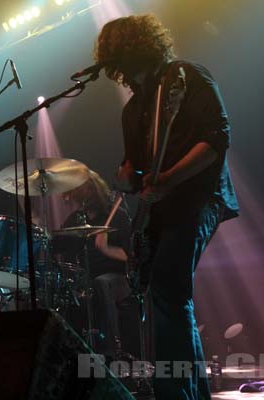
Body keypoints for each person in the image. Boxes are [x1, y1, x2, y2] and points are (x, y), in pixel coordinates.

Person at [94, 14, 239, 399]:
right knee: (170, 297)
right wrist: (124, 178)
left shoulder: (186, 77)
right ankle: (191, 392)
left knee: (167, 289)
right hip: (161, 209)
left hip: (199, 198)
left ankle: (174, 392)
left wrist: (170, 177)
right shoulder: (132, 110)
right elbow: (135, 167)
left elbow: (217, 138)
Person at [55, 170, 135, 361]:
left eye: (85, 194)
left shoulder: (117, 216)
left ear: (94, 192)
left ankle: (112, 349)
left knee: (101, 283)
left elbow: (130, 257)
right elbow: (56, 246)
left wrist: (106, 249)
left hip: (117, 279)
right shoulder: (76, 219)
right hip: (84, 278)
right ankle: (69, 355)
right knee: (62, 293)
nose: (82, 200)